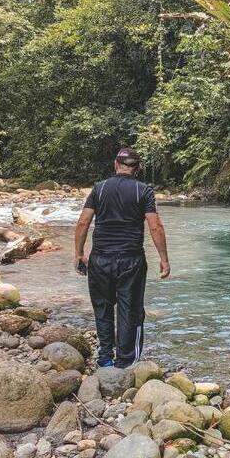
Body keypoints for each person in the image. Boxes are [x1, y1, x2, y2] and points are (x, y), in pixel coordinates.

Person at [73, 148, 170, 368]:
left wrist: (79, 253)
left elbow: (83, 222)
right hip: (131, 260)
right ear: (136, 169)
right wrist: (164, 258)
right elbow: (155, 226)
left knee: (103, 308)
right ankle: (126, 363)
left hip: (100, 259)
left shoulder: (99, 188)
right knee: (130, 311)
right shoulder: (143, 190)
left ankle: (105, 358)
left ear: (116, 164)